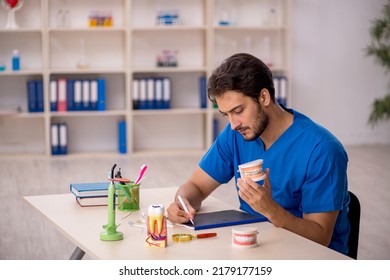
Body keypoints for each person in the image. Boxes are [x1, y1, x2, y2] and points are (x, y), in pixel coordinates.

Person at [166, 53, 350, 255]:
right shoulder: (236, 135)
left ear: (264, 97)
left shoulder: (322, 150)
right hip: (255, 250)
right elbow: (196, 186)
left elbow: (320, 237)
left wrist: (271, 210)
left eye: (238, 110)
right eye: (226, 114)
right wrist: (182, 203)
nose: (233, 124)